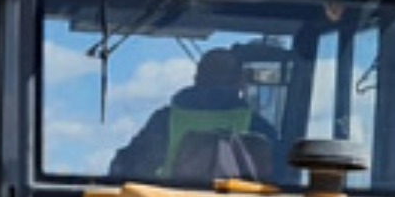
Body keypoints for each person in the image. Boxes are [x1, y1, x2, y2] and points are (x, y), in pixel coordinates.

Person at [109, 45, 278, 184]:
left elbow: (128, 168)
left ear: (197, 78)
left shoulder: (164, 120)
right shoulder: (258, 127)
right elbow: (282, 179)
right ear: (240, 82)